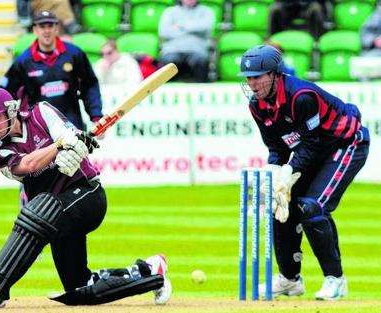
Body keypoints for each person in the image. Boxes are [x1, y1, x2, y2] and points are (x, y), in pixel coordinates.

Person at [0, 88, 172, 309]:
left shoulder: (41, 112)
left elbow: (68, 134)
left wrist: (76, 145)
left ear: (10, 111)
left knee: (39, 211)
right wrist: (59, 148)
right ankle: (150, 271)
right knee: (79, 288)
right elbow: (30, 164)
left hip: (87, 196)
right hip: (55, 217)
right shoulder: (1, 155)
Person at [239, 45, 370, 300]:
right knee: (281, 203)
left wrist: (290, 171)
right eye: (249, 77)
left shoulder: (301, 96)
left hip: (346, 143)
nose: (252, 83)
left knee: (312, 207)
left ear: (275, 74)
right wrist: (275, 171)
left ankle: (336, 280)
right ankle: (290, 280)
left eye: (258, 76)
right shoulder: (257, 106)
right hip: (316, 149)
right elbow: (277, 145)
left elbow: (312, 143)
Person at [1, 10, 102, 131]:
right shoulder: (23, 61)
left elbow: (90, 84)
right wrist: (9, 125)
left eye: (50, 26)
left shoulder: (74, 54)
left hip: (72, 127)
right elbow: (5, 94)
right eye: (42, 26)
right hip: (39, 131)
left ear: (57, 28)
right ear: (35, 30)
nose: (46, 31)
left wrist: (96, 116)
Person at [158, 0, 214, 82]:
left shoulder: (206, 11)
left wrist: (180, 25)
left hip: (197, 50)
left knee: (199, 61)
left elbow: (205, 27)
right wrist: (194, 30)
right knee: (168, 61)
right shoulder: (170, 11)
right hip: (172, 50)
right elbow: (164, 32)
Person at [16, 0, 82, 34]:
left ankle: (68, 24)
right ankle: (69, 24)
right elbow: (22, 2)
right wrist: (25, 19)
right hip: (38, 6)